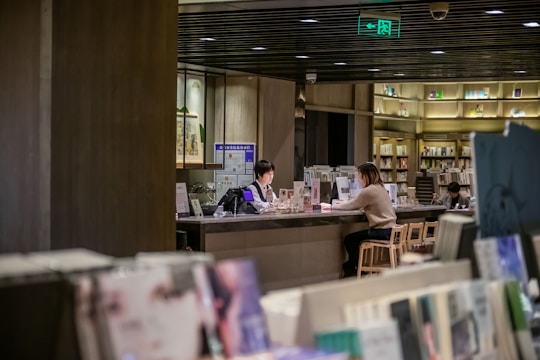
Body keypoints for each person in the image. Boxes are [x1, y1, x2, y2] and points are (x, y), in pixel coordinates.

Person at [321, 162, 397, 277]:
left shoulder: (368, 191)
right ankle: (353, 266)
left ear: (365, 177)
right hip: (391, 230)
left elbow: (351, 205)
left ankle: (354, 267)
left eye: (359, 178)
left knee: (350, 239)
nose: (359, 181)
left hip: (382, 231)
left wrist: (330, 206)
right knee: (354, 239)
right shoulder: (380, 187)